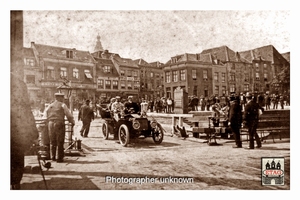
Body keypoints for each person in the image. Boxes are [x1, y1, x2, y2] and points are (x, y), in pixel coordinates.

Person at [11, 73, 39, 189]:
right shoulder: (19, 84)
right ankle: (15, 184)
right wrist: (34, 134)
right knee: (16, 160)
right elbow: (27, 113)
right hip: (15, 135)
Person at [43, 92, 75, 162]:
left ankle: (53, 157)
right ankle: (59, 158)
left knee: (52, 140)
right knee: (60, 141)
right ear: (59, 98)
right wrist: (72, 122)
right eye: (62, 97)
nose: (63, 99)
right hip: (59, 124)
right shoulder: (63, 105)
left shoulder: (49, 105)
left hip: (50, 124)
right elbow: (68, 115)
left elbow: (45, 116)